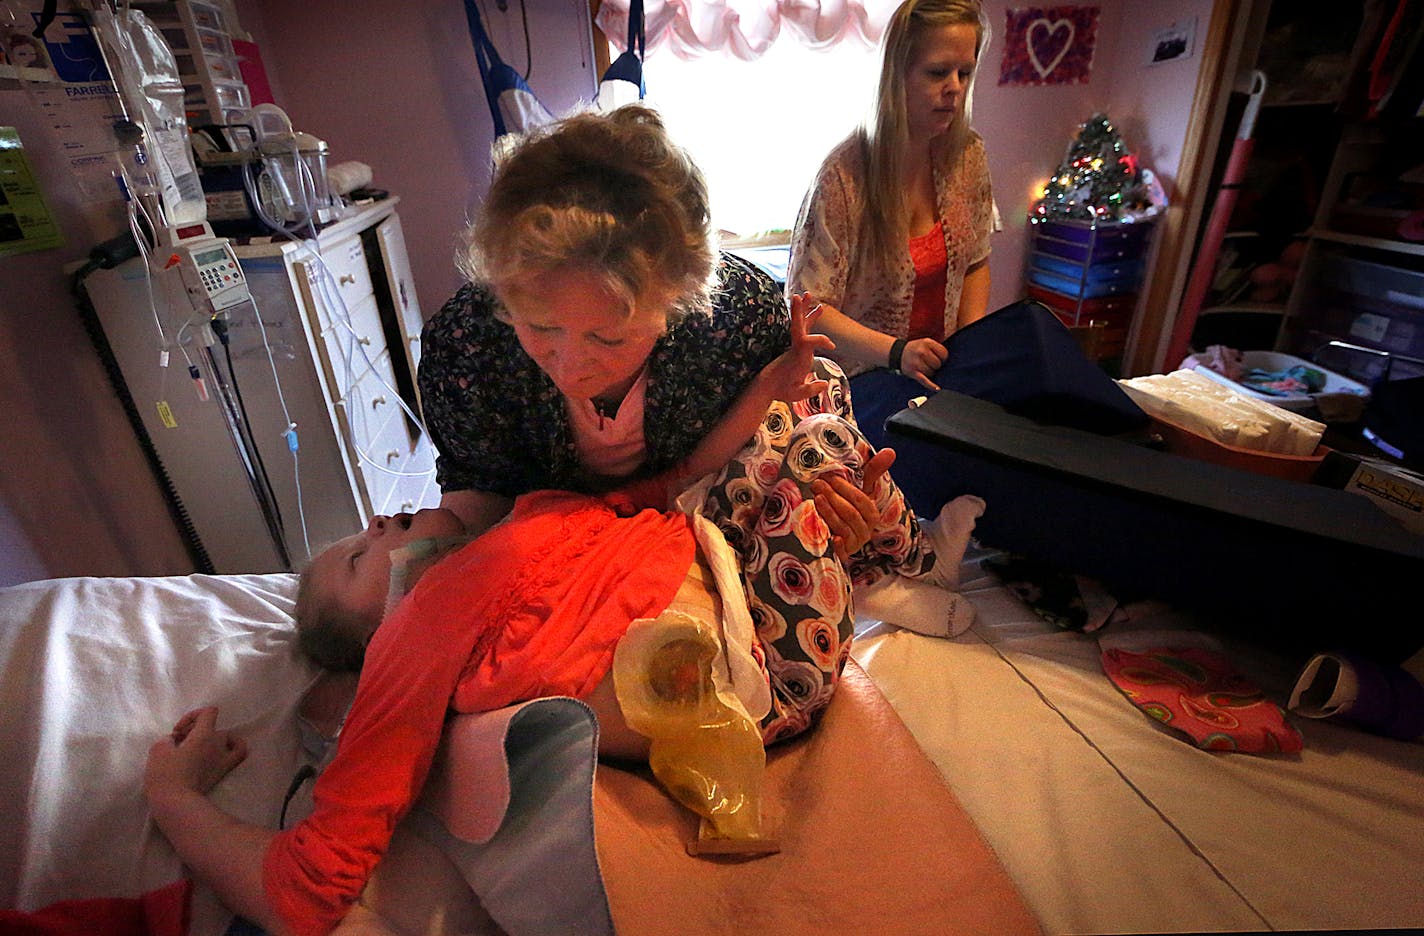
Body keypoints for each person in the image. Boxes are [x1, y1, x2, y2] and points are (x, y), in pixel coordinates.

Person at [142, 389, 980, 936]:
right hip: (756, 670)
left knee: (805, 399)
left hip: (733, 566)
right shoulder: (414, 638)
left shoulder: (530, 516)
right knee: (813, 449)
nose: (374, 524)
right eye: (357, 561)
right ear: (374, 634)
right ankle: (890, 579)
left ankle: (890, 556)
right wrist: (175, 798)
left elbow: (674, 485)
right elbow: (307, 887)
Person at [787, 0, 996, 450]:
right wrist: (897, 352)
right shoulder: (844, 176)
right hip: (861, 379)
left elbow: (976, 262)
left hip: (940, 368)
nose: (955, 88)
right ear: (896, 74)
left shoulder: (968, 155)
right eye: (938, 73)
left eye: (965, 72)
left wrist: (970, 346)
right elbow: (809, 306)